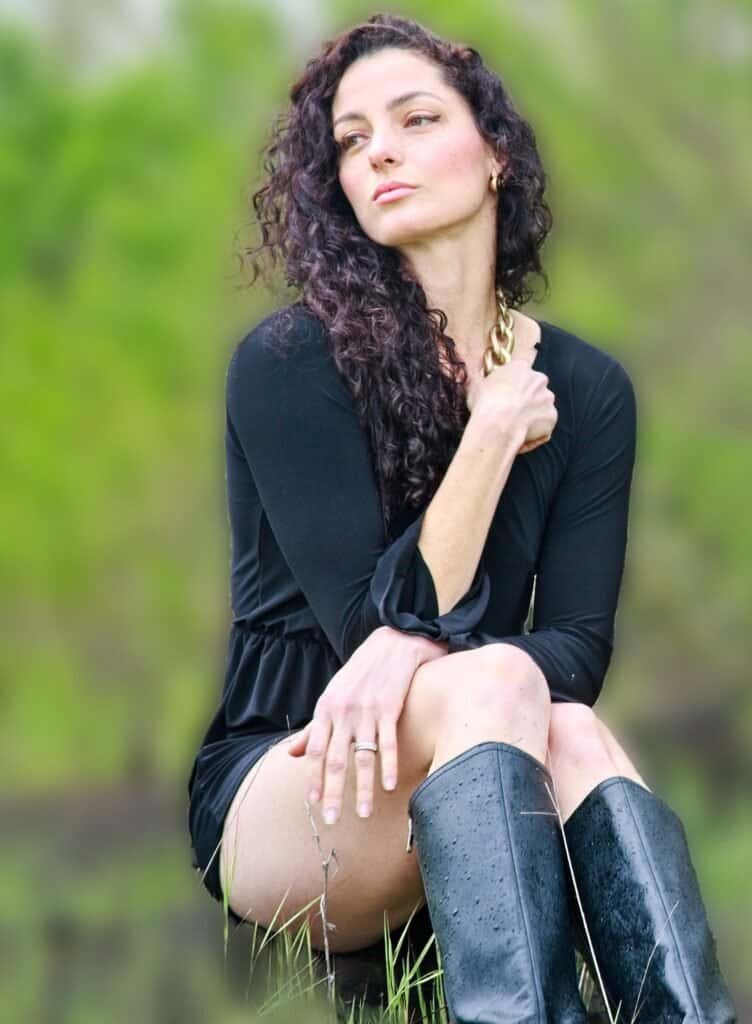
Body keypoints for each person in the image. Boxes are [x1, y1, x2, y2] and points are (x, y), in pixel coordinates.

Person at [186, 13, 737, 1022]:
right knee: (496, 679)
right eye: (351, 139)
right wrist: (486, 436)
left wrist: (436, 651)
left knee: (564, 722)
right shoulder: (287, 362)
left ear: (493, 157)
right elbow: (366, 630)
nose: (378, 150)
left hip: (496, 760)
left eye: (413, 118)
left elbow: (575, 646)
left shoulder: (585, 389)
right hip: (298, 775)